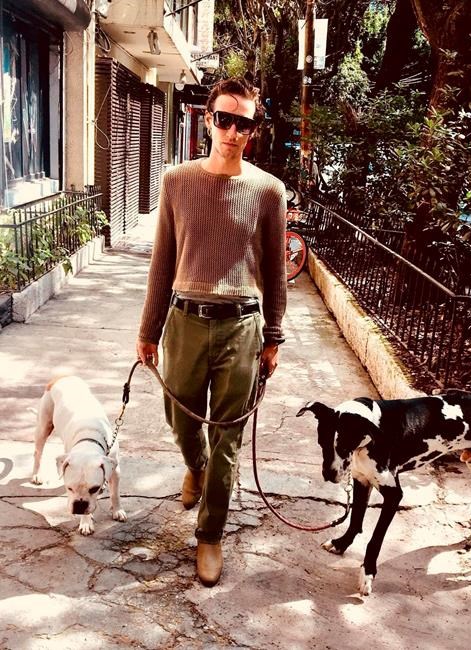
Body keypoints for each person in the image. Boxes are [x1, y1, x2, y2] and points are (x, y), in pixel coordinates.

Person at [136, 77, 287, 587]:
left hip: (241, 327)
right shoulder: (176, 181)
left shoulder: (268, 191)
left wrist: (273, 336)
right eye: (224, 119)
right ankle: (195, 466)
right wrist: (148, 329)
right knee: (181, 419)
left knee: (228, 435)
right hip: (184, 321)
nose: (233, 131)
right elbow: (162, 261)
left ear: (253, 130)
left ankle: (210, 534)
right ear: (208, 120)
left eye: (244, 123)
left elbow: (276, 270)